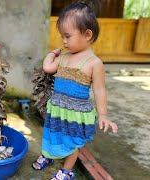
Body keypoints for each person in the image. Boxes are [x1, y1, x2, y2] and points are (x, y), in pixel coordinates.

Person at [32, 2, 118, 180]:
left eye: (67, 36)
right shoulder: (63, 57)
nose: (63, 41)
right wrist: (52, 54)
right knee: (51, 134)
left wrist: (103, 114)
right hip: (57, 108)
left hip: (76, 113)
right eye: (62, 36)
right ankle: (48, 156)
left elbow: (100, 90)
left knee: (71, 143)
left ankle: (67, 171)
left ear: (87, 35)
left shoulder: (94, 63)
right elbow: (48, 68)